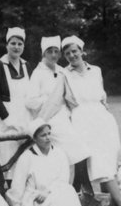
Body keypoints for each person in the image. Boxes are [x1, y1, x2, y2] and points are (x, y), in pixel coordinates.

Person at [62, 35, 121, 206]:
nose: (72, 56)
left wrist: (104, 105)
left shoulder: (96, 70)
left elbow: (101, 93)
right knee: (96, 164)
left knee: (108, 163)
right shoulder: (64, 73)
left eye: (74, 51)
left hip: (102, 119)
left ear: (82, 51)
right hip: (82, 120)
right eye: (67, 54)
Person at [8, 118, 86, 206]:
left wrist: (48, 192)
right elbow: (17, 186)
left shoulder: (59, 153)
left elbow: (63, 180)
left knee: (68, 191)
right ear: (34, 138)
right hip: (35, 201)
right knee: (64, 196)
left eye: (49, 134)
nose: (48, 138)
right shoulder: (26, 157)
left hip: (55, 194)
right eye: (43, 135)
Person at [25, 35, 88, 169]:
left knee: (82, 146)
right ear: (44, 53)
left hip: (65, 116)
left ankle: (79, 185)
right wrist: (49, 99)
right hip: (49, 119)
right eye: (50, 51)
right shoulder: (38, 73)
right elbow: (30, 102)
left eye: (56, 51)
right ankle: (79, 185)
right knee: (75, 149)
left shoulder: (62, 71)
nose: (53, 55)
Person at [0, 27, 34, 168]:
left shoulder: (26, 65)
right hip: (5, 116)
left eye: (20, 44)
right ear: (7, 45)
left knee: (25, 153)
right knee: (6, 151)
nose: (16, 47)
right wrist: (7, 119)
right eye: (13, 43)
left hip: (25, 114)